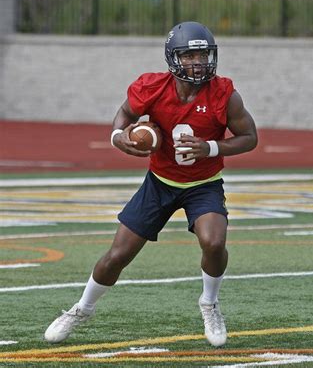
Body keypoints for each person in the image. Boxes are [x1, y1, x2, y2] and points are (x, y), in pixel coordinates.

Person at [44, 21, 258, 347]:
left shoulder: (225, 95)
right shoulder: (153, 88)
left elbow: (250, 138)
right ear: (174, 59)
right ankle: (81, 309)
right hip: (159, 183)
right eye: (189, 56)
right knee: (118, 255)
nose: (198, 63)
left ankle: (209, 303)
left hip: (204, 183)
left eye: (203, 55)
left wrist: (211, 147)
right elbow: (124, 113)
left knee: (213, 243)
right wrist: (118, 137)